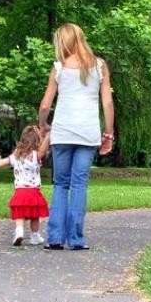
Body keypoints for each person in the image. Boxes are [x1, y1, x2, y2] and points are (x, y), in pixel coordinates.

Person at [38, 23, 114, 251]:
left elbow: (45, 105)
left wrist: (43, 124)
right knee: (79, 184)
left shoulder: (59, 68)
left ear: (62, 41)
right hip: (88, 134)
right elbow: (107, 102)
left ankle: (54, 238)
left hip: (62, 133)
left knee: (61, 184)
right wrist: (108, 133)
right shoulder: (99, 66)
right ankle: (77, 240)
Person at [0, 125, 50, 247]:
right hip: (33, 191)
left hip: (20, 191)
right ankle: (35, 236)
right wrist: (48, 135)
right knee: (34, 215)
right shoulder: (35, 155)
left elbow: (3, 161)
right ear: (37, 141)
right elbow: (43, 150)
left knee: (20, 214)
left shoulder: (16, 155)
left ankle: (19, 231)